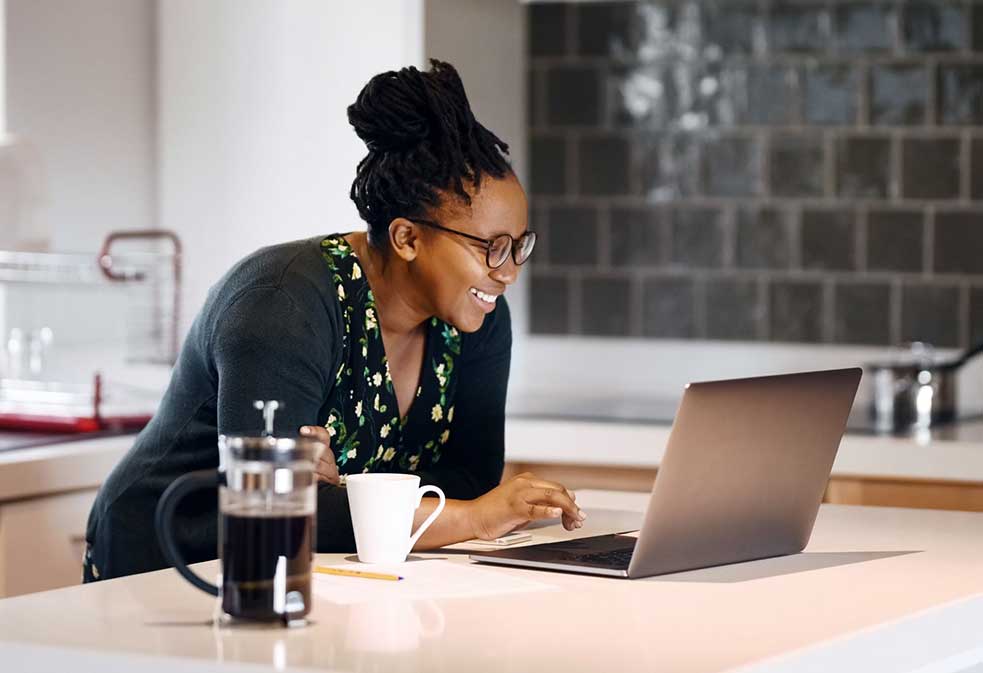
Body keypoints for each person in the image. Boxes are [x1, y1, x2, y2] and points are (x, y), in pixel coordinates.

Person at [83, 59, 584, 582]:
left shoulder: (475, 316)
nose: (507, 274)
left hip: (315, 576)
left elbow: (470, 475)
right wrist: (471, 519)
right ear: (407, 238)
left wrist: (341, 487)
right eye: (492, 248)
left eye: (519, 246)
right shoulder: (282, 306)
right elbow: (272, 509)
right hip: (166, 564)